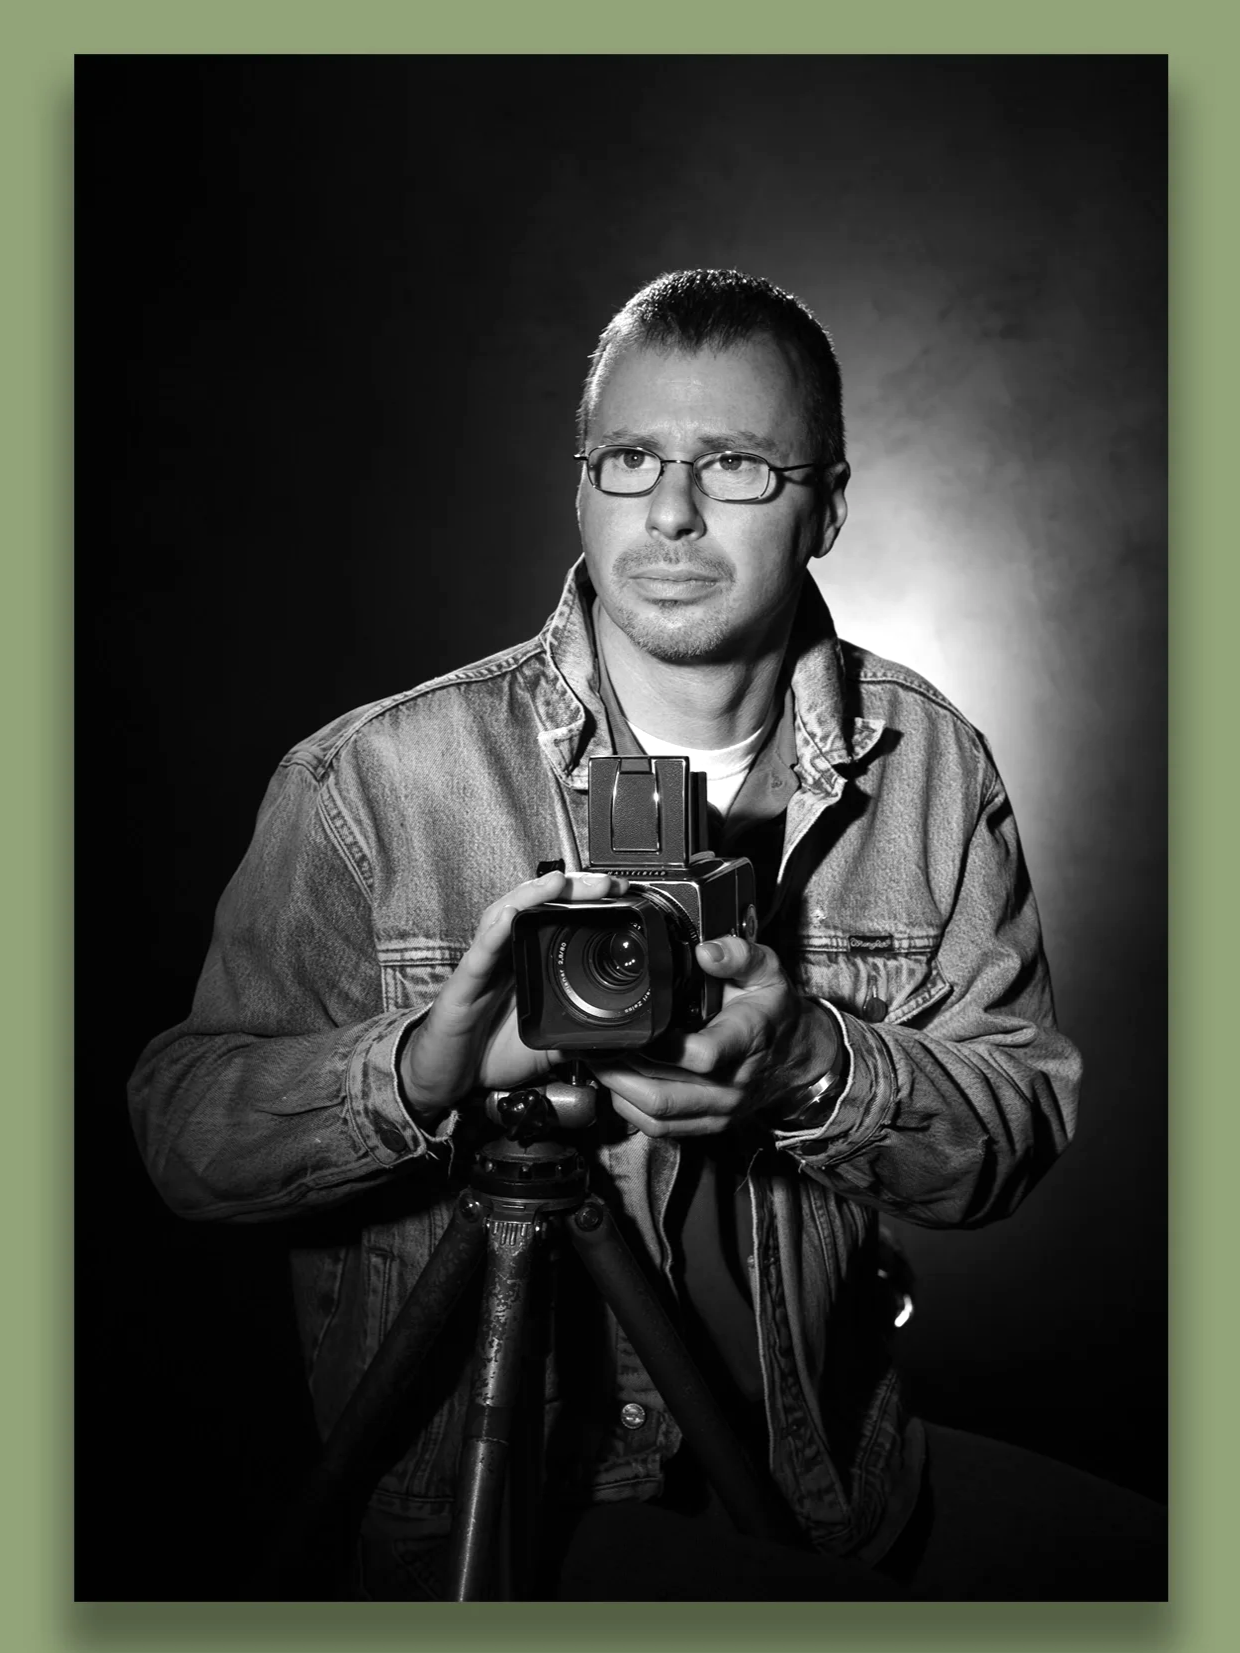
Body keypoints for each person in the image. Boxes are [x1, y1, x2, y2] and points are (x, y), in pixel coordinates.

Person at [129, 269, 1160, 1600]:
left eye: (735, 463)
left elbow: (1015, 1128)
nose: (669, 512)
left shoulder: (929, 767)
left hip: (817, 1496)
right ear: (580, 486)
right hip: (490, 1525)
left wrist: (809, 1066)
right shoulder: (376, 784)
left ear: (828, 505)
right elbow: (181, 1137)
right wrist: (420, 1075)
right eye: (628, 459)